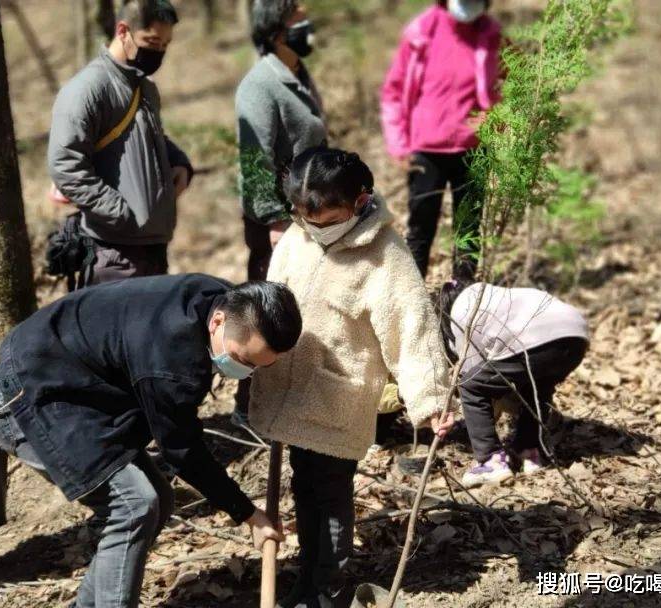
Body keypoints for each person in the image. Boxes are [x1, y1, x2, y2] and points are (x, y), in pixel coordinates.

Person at [0, 274, 300, 608]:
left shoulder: (224, 299)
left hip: (69, 378)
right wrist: (249, 514)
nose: (246, 372)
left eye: (257, 367)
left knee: (157, 499)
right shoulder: (174, 360)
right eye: (243, 360)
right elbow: (183, 451)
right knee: (134, 505)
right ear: (217, 322)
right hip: (24, 396)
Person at [249, 148, 455, 608]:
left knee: (330, 496)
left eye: (328, 218)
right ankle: (308, 578)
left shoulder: (386, 258)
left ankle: (327, 589)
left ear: (361, 201)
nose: (317, 228)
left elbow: (412, 331)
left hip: (337, 399)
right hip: (289, 389)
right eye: (306, 218)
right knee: (304, 488)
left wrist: (431, 401)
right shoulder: (296, 240)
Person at [48, 0, 193, 285]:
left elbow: (150, 137)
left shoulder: (145, 86)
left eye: (165, 44)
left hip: (153, 246)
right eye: (151, 40)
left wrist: (179, 162)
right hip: (112, 252)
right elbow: (65, 165)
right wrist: (121, 214)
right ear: (123, 31)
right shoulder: (87, 89)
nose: (158, 51)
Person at [233, 0, 326, 425]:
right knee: (264, 313)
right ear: (275, 30)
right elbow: (254, 159)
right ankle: (247, 407)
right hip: (276, 223)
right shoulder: (259, 85)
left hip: (308, 218)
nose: (306, 22)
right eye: (296, 17)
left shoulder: (298, 76)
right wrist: (273, 219)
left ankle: (292, 395)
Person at [380, 0, 503, 281]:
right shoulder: (422, 31)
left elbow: (510, 82)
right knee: (420, 230)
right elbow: (394, 91)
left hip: (473, 149)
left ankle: (462, 303)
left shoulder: (490, 33)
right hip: (426, 151)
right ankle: (413, 304)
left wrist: (496, 117)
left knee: (468, 233)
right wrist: (399, 144)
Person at [440, 280, 589, 487]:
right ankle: (529, 450)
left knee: (470, 386)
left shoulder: (461, 311)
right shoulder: (494, 293)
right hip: (576, 335)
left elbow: (473, 375)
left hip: (539, 340)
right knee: (537, 386)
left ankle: (491, 461)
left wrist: (471, 422)